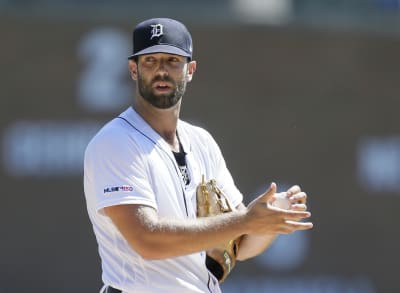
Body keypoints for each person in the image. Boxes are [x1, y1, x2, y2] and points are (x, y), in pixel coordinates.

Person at [83, 17, 313, 293]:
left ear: (190, 69)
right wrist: (245, 220)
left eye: (172, 61)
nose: (161, 71)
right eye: (150, 61)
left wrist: (269, 219)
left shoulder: (201, 142)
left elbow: (239, 244)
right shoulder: (115, 141)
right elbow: (147, 240)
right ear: (133, 70)